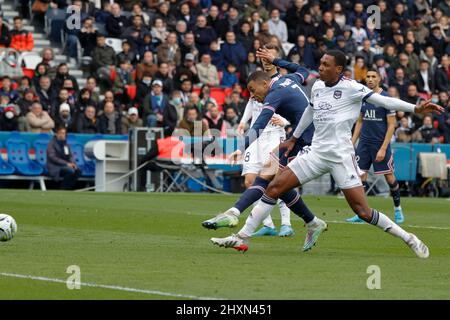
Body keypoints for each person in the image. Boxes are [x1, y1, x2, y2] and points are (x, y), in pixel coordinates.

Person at [210, 49, 442, 258]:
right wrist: (293, 138)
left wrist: (415, 108)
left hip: (341, 157)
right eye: (320, 63)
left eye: (325, 65)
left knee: (362, 211)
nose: (319, 67)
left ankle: (408, 237)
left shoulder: (352, 87)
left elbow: (383, 100)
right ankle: (240, 237)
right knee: (274, 187)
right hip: (316, 153)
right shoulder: (318, 87)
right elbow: (309, 113)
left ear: (338, 69)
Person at [202, 52, 317, 249]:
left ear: (265, 83)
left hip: (310, 144)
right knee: (271, 182)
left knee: (273, 185)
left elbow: (259, 124)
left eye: (253, 90)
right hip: (296, 141)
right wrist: (276, 61)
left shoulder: (274, 94)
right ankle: (238, 222)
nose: (253, 96)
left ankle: (238, 219)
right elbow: (303, 71)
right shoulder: (288, 79)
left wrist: (240, 148)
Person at [235, 46, 293, 237]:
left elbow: (296, 107)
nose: (266, 61)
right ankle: (267, 224)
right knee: (250, 180)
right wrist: (243, 122)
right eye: (263, 58)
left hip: (275, 134)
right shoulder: (256, 82)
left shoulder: (281, 82)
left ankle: (286, 223)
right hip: (256, 135)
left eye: (269, 57)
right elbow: (251, 105)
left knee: (278, 180)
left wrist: (285, 122)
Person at [346, 70, 405, 224]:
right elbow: (360, 121)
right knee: (360, 177)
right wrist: (352, 142)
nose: (370, 79)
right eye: (368, 77)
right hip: (364, 144)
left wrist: (383, 148)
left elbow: (392, 126)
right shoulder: (363, 97)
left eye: (373, 77)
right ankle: (361, 213)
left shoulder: (386, 99)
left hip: (380, 144)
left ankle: (398, 209)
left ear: (379, 79)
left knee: (389, 177)